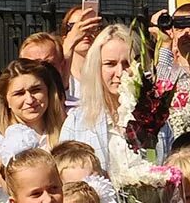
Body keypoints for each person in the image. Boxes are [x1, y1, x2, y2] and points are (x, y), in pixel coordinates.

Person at [58, 23, 140, 167]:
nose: (120, 73)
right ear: (96, 67)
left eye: (127, 64)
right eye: (110, 64)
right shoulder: (77, 121)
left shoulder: (154, 119)